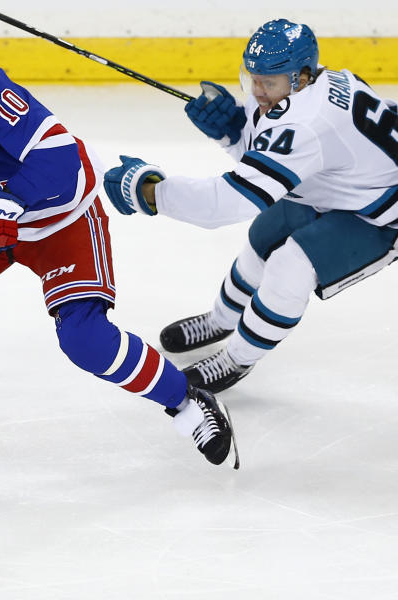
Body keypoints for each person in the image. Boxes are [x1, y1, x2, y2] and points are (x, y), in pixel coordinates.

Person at [0, 31, 239, 468]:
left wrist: (12, 201)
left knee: (84, 339)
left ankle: (188, 401)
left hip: (59, 213)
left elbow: (61, 158)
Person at [103, 18, 398, 393]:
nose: (257, 91)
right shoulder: (314, 88)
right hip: (336, 186)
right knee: (264, 236)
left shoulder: (306, 123)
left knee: (291, 266)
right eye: (252, 78)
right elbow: (279, 151)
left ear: (302, 77)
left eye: (268, 83)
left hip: (380, 216)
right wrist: (235, 132)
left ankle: (235, 359)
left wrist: (151, 194)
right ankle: (221, 318)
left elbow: (227, 203)